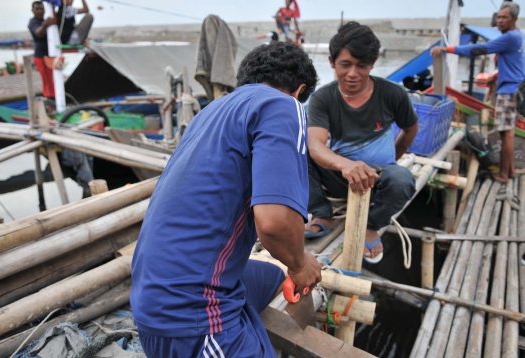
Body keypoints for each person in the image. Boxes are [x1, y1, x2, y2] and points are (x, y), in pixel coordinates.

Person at [131, 41, 320, 357]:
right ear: (300, 90)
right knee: (294, 271)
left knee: (273, 276)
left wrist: (290, 267)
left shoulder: (211, 112)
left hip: (150, 292)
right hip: (185, 316)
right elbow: (273, 225)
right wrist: (300, 264)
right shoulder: (285, 105)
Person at [304, 22, 418, 264]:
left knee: (402, 180)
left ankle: (371, 224)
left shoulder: (392, 93)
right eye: (345, 64)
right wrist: (347, 166)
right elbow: (316, 145)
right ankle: (322, 214)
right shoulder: (322, 98)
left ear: (373, 64)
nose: (353, 73)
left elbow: (410, 128)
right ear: (332, 62)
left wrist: (392, 161)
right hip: (338, 178)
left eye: (362, 65)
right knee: (299, 150)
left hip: (378, 180)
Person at [431, 1, 525, 183]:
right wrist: (496, 76)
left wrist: (448, 49)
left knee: (506, 134)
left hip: (509, 91)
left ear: (514, 19)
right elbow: (515, 65)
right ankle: (511, 171)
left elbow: (479, 49)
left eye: (504, 17)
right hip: (515, 88)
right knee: (509, 134)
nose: (500, 21)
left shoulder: (509, 38)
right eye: (498, 17)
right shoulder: (517, 36)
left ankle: (504, 174)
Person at [28, 1, 55, 99]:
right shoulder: (33, 22)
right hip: (41, 56)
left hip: (50, 55)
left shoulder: (45, 21)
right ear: (33, 10)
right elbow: (39, 33)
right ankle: (50, 101)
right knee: (47, 81)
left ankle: (54, 99)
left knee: (53, 80)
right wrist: (45, 25)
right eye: (37, 9)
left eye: (41, 9)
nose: (40, 11)